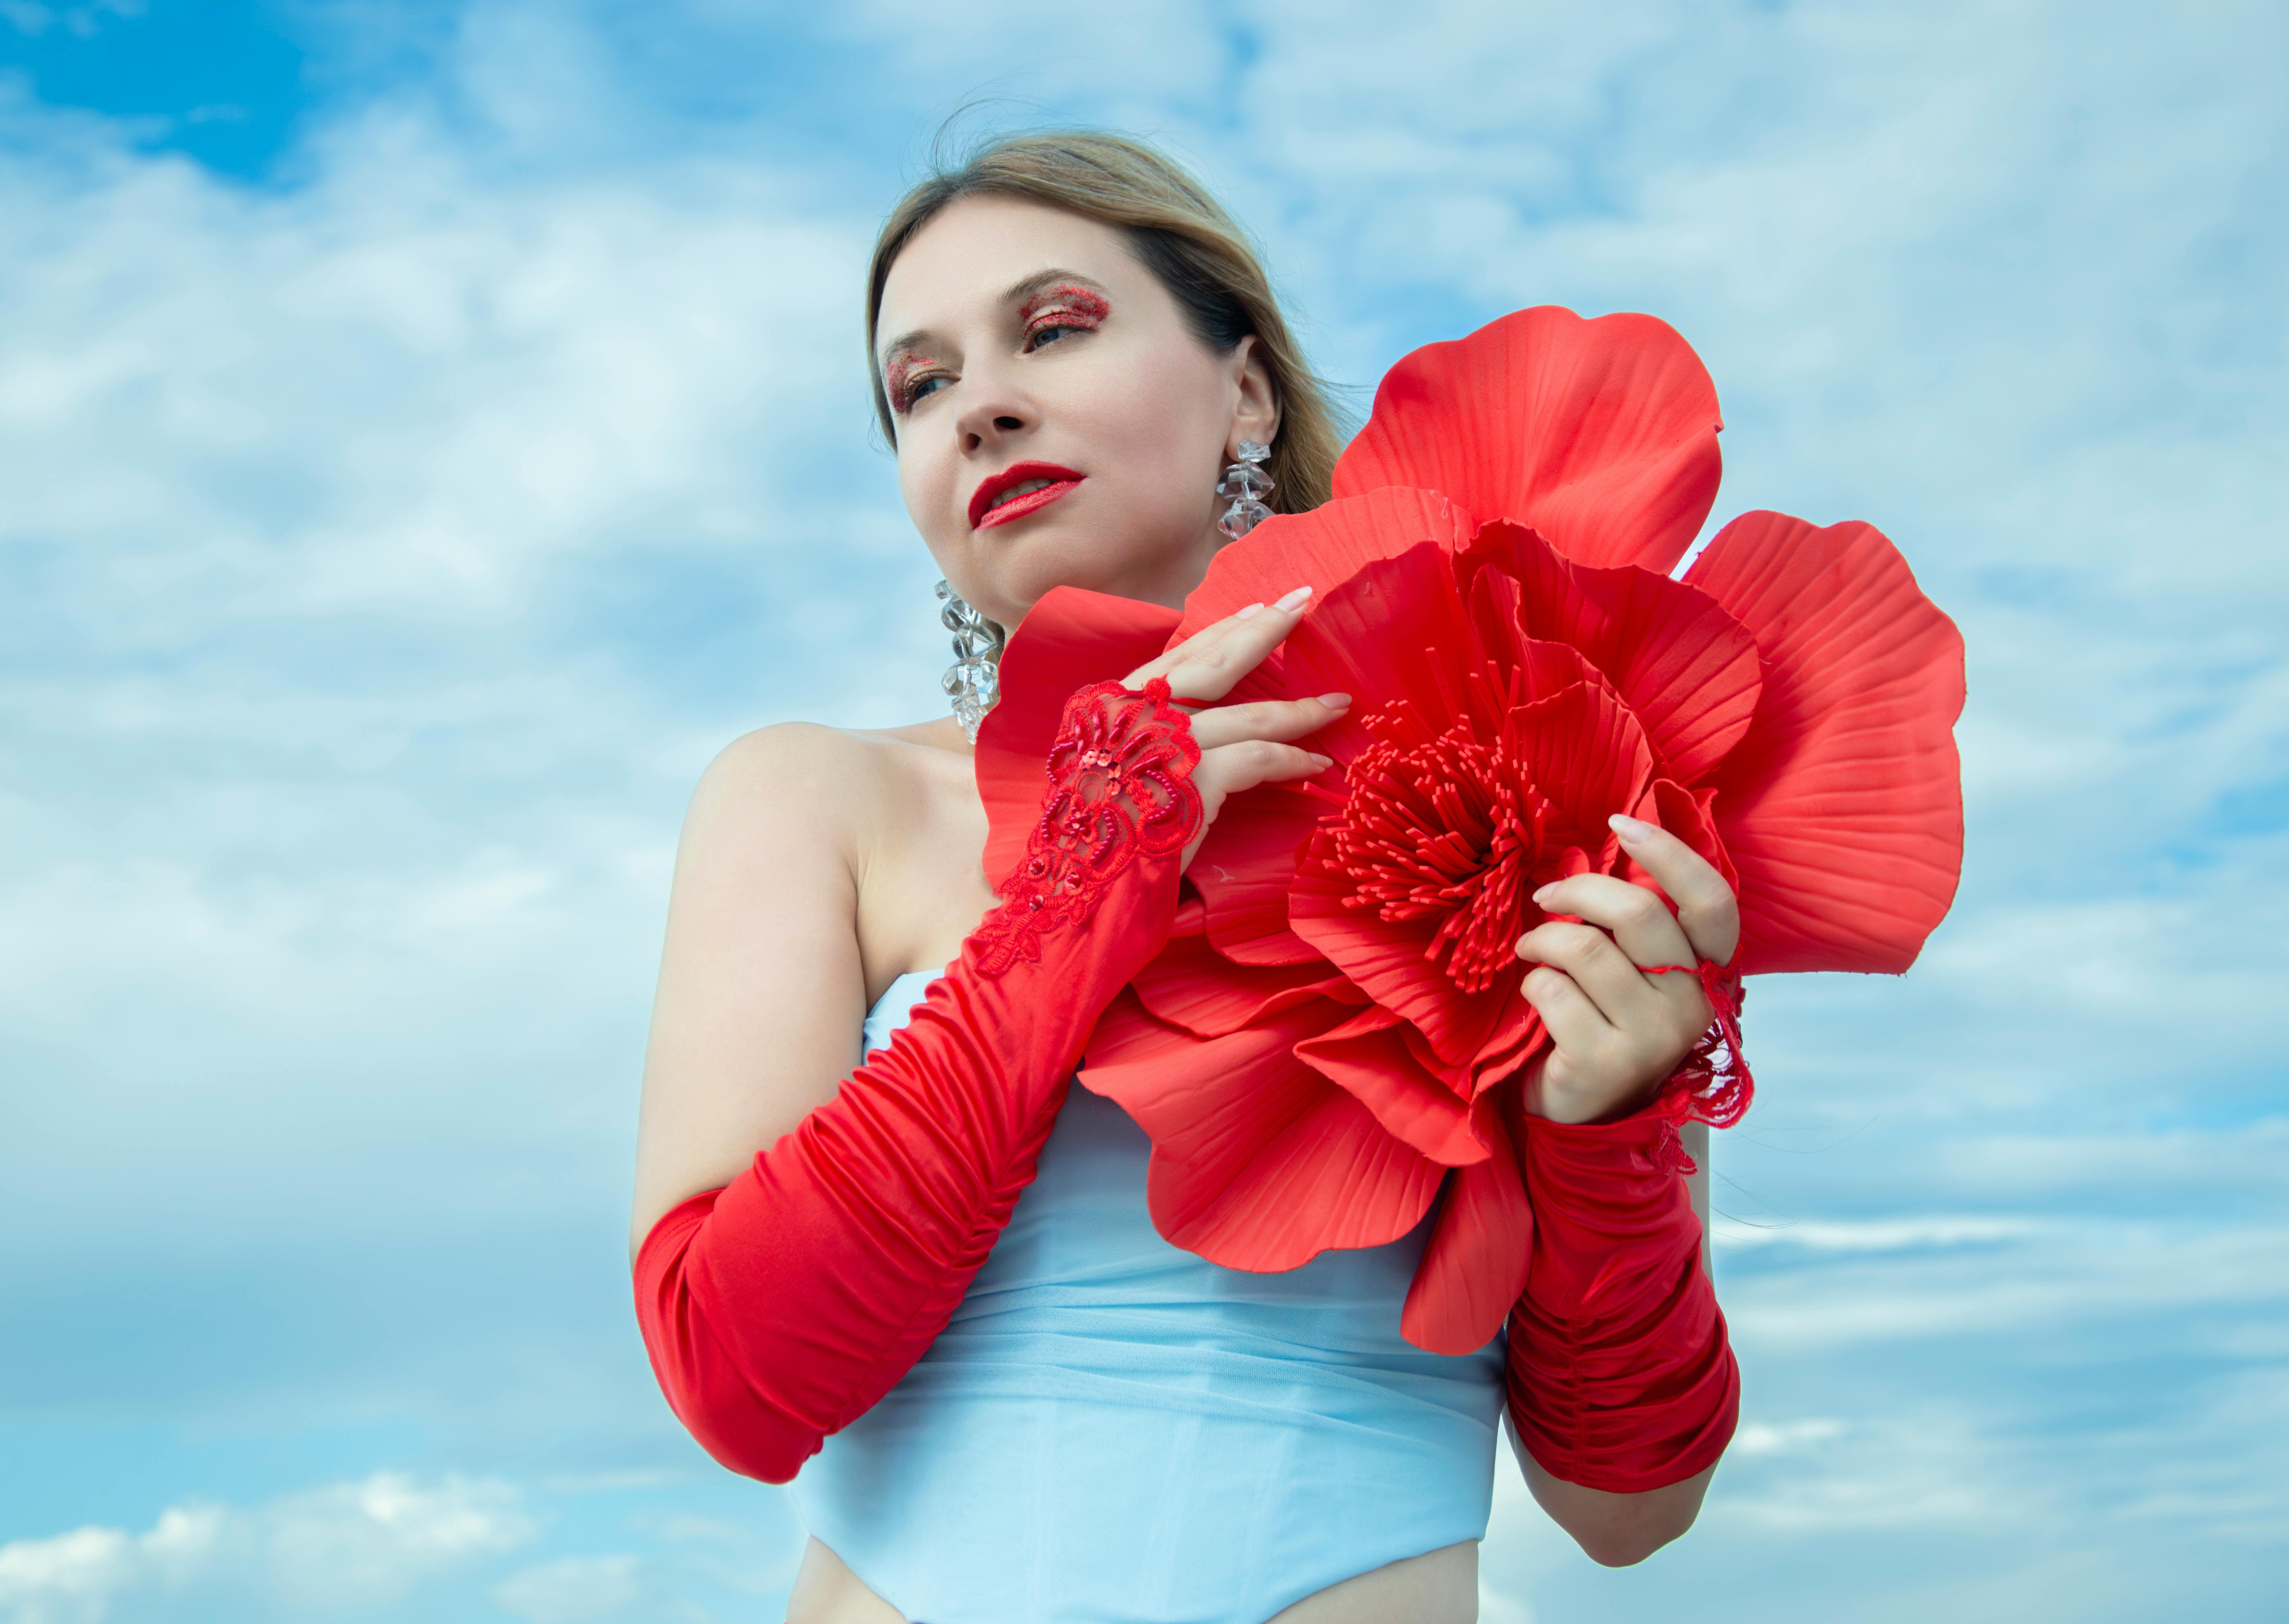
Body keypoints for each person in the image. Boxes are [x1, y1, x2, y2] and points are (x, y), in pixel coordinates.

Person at [629, 130, 1739, 1623]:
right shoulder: (820, 797)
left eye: (1053, 329)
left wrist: (1613, 1136)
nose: (984, 408)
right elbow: (738, 1385)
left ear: (1249, 391)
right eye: (922, 386)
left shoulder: (1543, 791)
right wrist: (1092, 876)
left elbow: (1629, 1506)